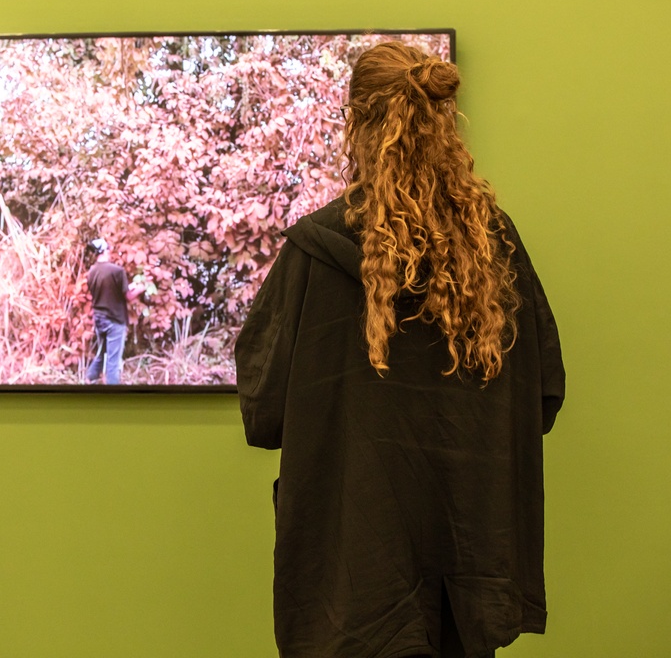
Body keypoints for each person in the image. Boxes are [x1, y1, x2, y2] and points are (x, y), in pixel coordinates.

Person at [236, 41, 565, 658]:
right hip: (466, 575)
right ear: (441, 123)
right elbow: (544, 395)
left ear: (355, 124)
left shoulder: (314, 250)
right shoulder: (494, 247)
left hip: (352, 581)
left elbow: (264, 413)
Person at [85, 238, 134, 384]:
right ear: (106, 250)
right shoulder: (117, 271)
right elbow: (128, 296)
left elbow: (107, 291)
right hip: (115, 320)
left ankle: (90, 378)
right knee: (113, 362)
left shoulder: (92, 271)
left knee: (102, 352)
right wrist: (142, 288)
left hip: (99, 318)